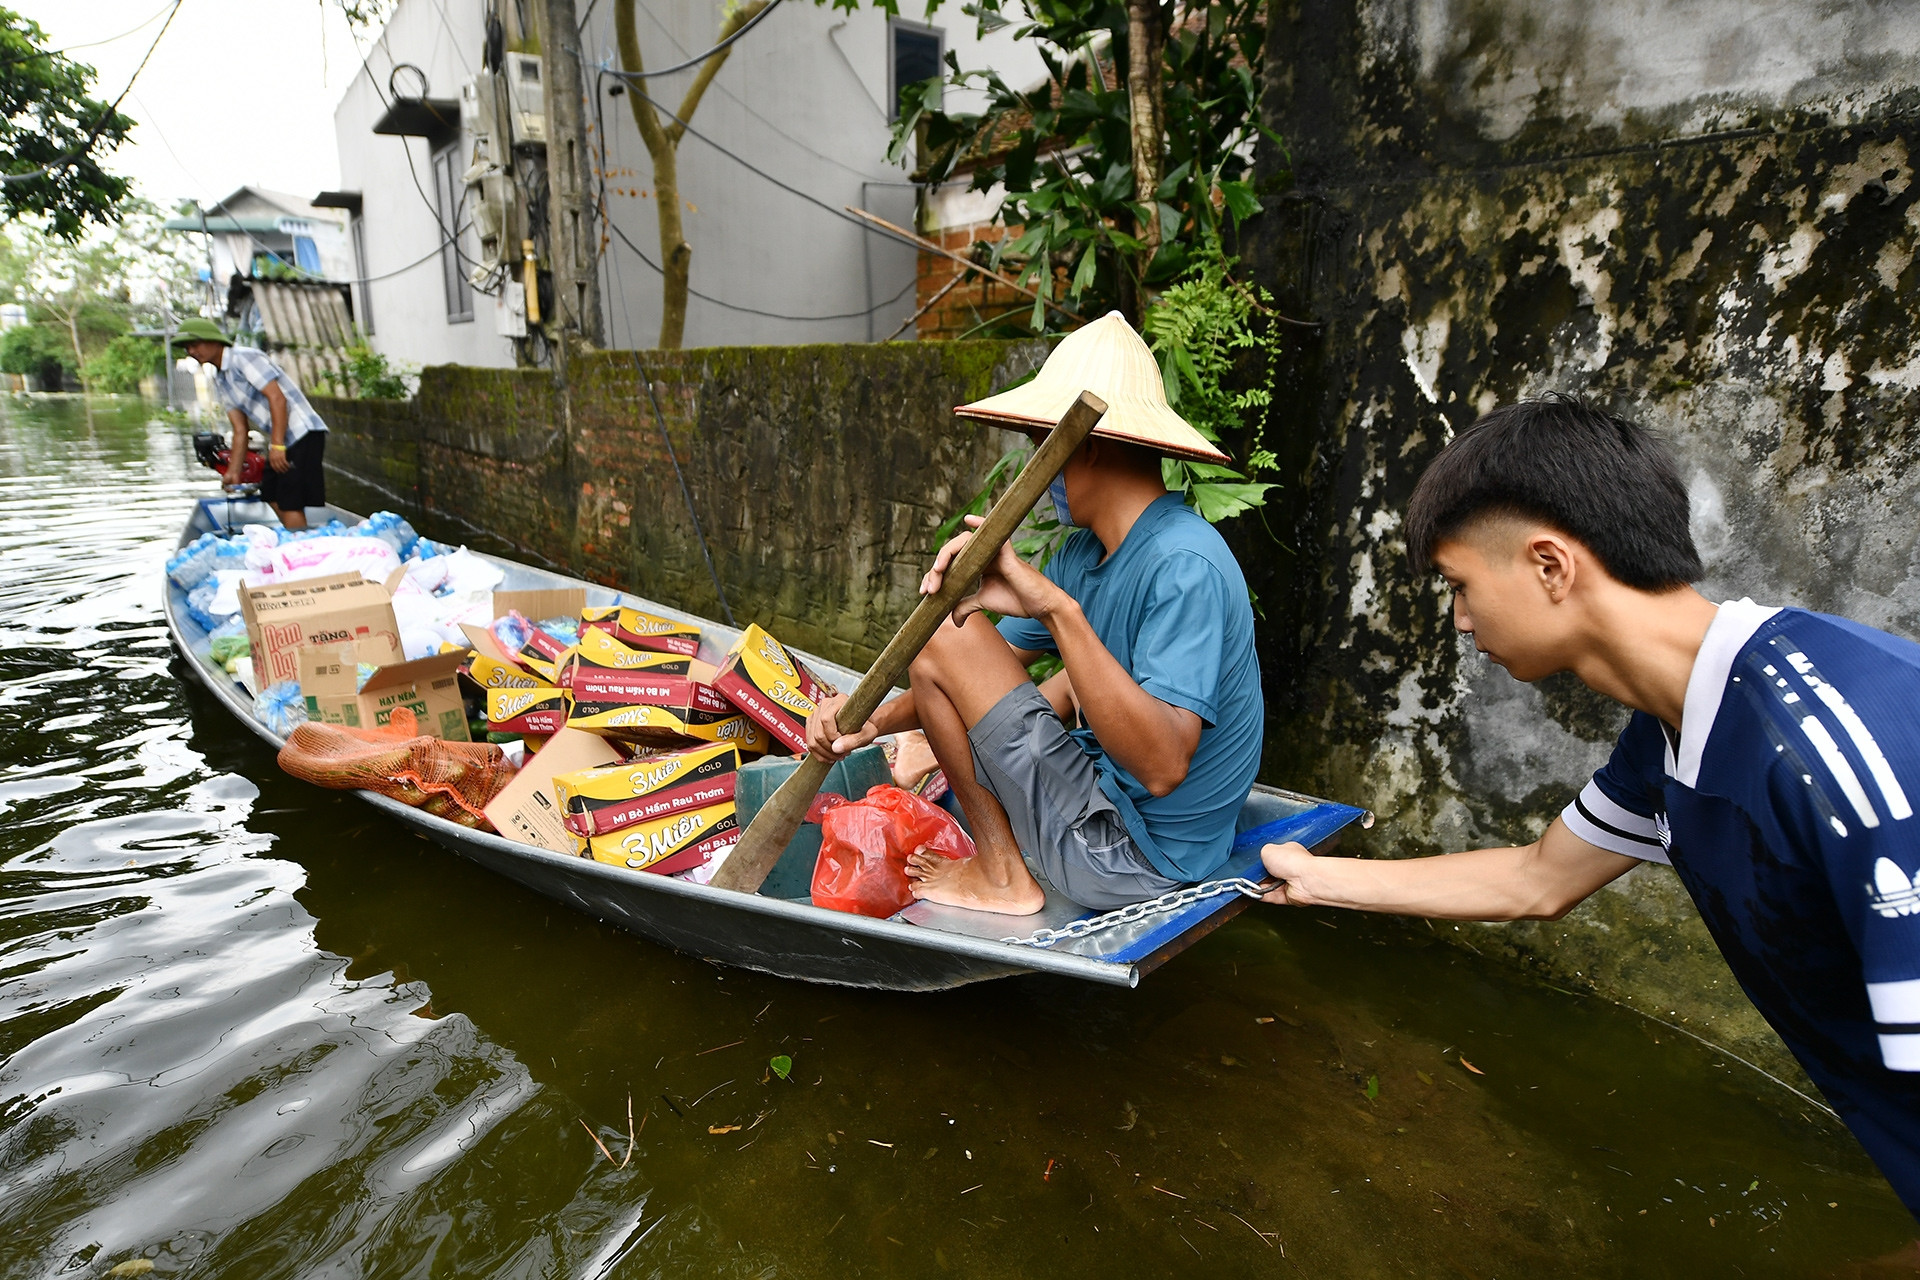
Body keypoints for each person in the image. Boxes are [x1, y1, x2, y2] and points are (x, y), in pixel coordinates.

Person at [1259, 393, 1920, 1215]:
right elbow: (1538, 879)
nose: (1460, 622)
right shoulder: (1670, 729)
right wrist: (1319, 881)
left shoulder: (1848, 742)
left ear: (1550, 565)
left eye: (1460, 586)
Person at [806, 312, 1264, 915]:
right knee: (949, 631)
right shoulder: (1084, 553)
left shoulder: (1185, 564)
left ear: (1088, 446)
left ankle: (1002, 874)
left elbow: (1161, 769)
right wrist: (874, 723)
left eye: (1040, 448)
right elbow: (963, 674)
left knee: (943, 637)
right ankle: (1005, 865)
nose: (1034, 471)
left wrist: (1055, 609)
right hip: (1106, 815)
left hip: (1136, 861)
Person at [177, 317, 329, 530]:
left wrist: (277, 445)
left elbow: (277, 398)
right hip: (283, 437)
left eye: (195, 344)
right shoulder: (221, 379)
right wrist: (234, 471)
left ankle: (301, 550)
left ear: (214, 341)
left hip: (302, 431)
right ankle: (296, 537)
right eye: (187, 348)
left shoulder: (245, 358)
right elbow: (240, 430)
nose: (191, 351)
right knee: (270, 491)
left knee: (290, 499)